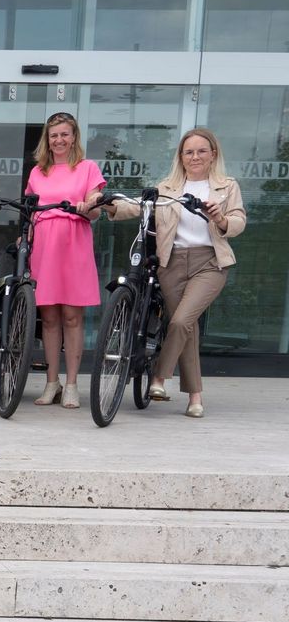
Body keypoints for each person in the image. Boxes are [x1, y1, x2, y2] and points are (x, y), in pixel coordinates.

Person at [100, 128, 245, 418]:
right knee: (185, 329)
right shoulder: (168, 187)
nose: (195, 157)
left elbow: (239, 220)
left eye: (201, 151)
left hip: (210, 263)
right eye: (189, 152)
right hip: (172, 263)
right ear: (181, 156)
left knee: (180, 321)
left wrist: (221, 218)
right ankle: (195, 397)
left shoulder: (227, 186)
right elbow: (140, 206)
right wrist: (108, 203)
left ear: (213, 154)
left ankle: (159, 378)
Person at [26, 112, 105, 409]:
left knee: (72, 316)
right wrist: (26, 237)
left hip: (74, 241)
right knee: (48, 318)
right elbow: (31, 211)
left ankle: (71, 384)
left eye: (64, 134)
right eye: (54, 135)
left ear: (74, 138)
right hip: (44, 244)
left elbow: (96, 211)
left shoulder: (87, 168)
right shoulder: (37, 172)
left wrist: (88, 207)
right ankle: (51, 382)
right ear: (48, 139)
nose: (59, 140)